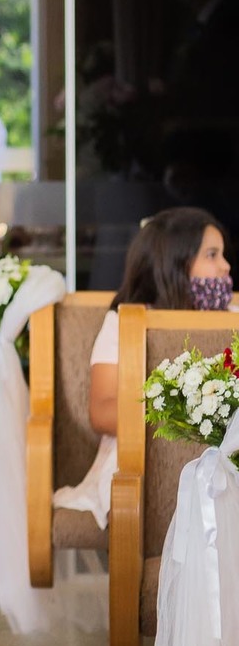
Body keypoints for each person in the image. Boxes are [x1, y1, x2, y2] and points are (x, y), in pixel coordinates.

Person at [54, 208, 234, 527]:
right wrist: (186, 418)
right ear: (174, 261)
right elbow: (102, 411)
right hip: (146, 462)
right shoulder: (123, 322)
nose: (225, 266)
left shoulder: (233, 315)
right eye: (212, 254)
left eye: (223, 254)